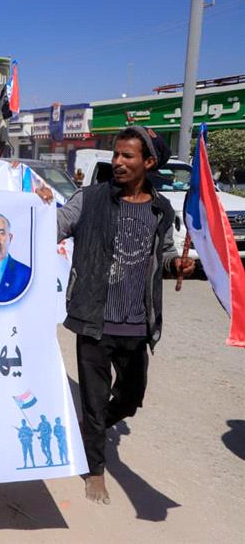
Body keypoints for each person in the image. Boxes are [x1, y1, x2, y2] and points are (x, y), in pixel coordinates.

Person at [56, 125, 195, 505]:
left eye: (127, 156)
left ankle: (91, 428)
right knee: (95, 399)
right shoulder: (89, 199)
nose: (117, 161)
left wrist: (176, 265)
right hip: (94, 320)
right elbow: (53, 226)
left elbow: (164, 253)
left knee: (131, 397)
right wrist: (37, 207)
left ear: (148, 163)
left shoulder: (160, 209)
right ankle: (95, 470)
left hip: (136, 323)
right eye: (116, 154)